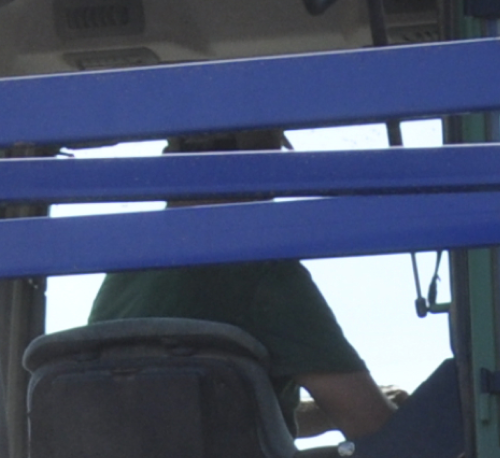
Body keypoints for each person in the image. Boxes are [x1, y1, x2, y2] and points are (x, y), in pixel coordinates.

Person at [76, 131, 396, 441]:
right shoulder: (262, 271)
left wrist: (325, 416)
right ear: (254, 170)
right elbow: (371, 426)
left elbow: (185, 416)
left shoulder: (127, 271)